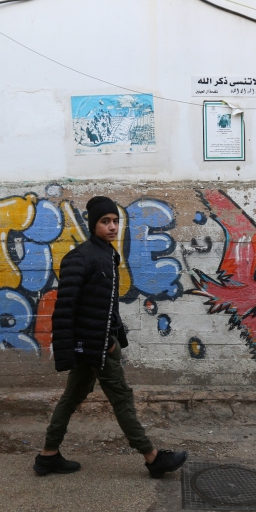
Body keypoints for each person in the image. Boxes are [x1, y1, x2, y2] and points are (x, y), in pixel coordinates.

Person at [34, 196, 188, 479]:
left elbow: (104, 304)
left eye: (115, 221)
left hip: (99, 342)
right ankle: (153, 458)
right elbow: (66, 308)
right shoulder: (79, 258)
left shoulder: (107, 254)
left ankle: (48, 455)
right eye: (106, 222)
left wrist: (116, 336)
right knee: (122, 398)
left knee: (71, 398)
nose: (113, 227)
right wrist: (89, 346)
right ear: (93, 224)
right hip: (95, 346)